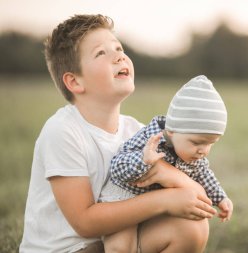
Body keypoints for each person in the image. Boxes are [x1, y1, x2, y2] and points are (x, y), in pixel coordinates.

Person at [19, 14, 218, 253]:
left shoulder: (138, 132)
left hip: (115, 243)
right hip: (69, 249)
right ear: (74, 82)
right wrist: (164, 200)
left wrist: (169, 175)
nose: (119, 55)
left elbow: (194, 197)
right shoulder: (62, 131)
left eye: (119, 48)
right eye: (101, 53)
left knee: (192, 227)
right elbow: (85, 223)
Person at [100, 75, 234, 252]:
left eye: (210, 143)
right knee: (121, 248)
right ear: (171, 132)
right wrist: (143, 160)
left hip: (154, 208)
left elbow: (205, 176)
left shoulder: (194, 155)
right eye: (196, 142)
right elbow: (117, 166)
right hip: (123, 200)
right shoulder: (150, 139)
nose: (203, 150)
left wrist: (220, 198)